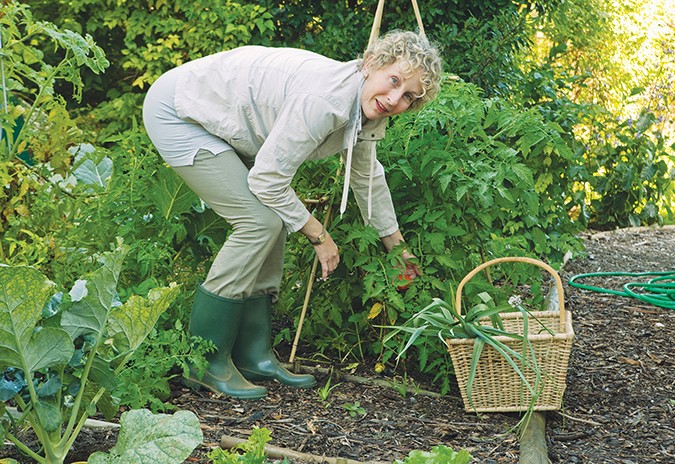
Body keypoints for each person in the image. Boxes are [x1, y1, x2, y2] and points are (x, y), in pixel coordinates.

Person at [142, 30, 443, 400]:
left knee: (274, 222)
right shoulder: (325, 99)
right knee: (259, 222)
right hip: (182, 111)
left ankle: (253, 356)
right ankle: (204, 361)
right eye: (393, 81)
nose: (395, 98)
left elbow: (367, 177)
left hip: (229, 124)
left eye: (408, 96)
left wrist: (397, 248)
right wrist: (320, 236)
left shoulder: (367, 109)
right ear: (371, 65)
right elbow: (268, 180)